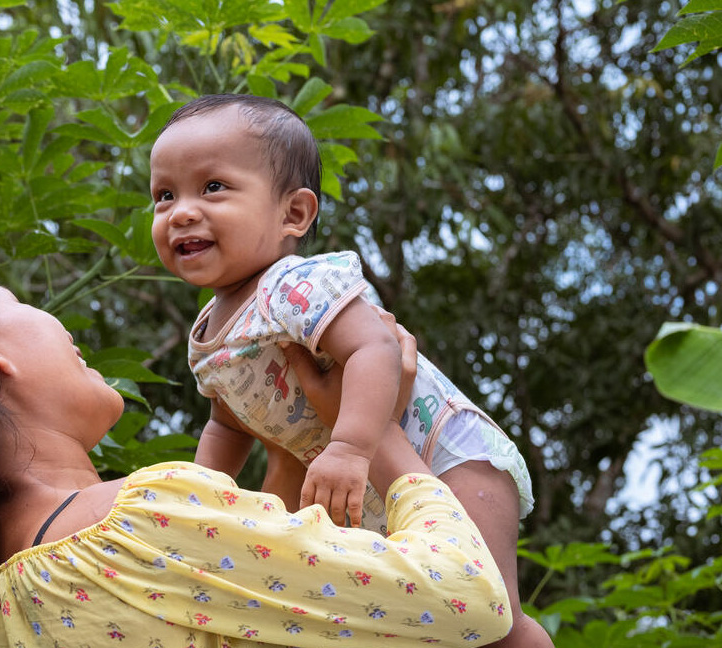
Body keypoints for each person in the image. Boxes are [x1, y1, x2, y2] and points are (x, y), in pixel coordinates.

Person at [0, 257, 512, 648]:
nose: (55, 322)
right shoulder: (147, 517)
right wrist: (376, 436)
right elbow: (466, 602)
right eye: (18, 302)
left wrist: (289, 446)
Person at [149, 94, 551, 647]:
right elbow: (227, 425)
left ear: (294, 214)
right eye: (164, 195)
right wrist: (204, 502)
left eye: (213, 187)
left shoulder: (295, 285)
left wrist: (352, 447)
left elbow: (376, 350)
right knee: (428, 624)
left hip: (445, 450)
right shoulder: (207, 332)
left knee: (493, 613)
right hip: (355, 483)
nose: (182, 211)